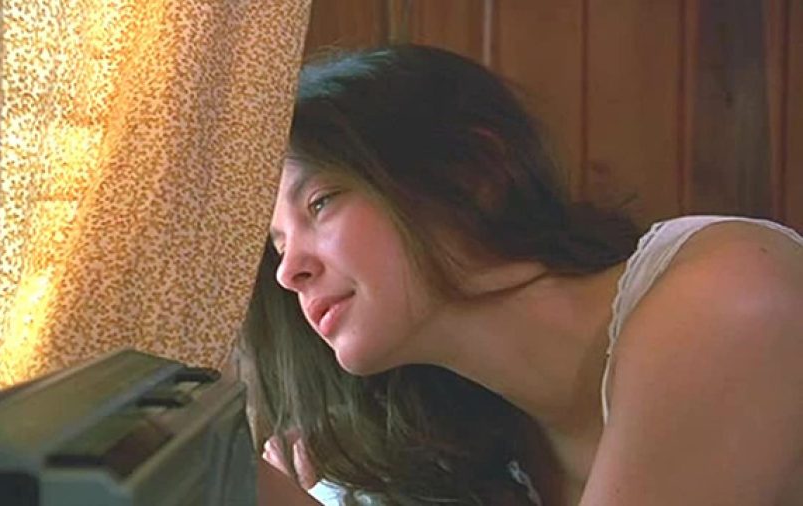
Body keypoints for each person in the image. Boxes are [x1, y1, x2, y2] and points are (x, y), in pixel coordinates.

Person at [243, 44, 803, 505]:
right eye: (279, 244)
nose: (289, 271)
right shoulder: (473, 448)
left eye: (320, 202)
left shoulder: (725, 297)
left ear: (472, 171)